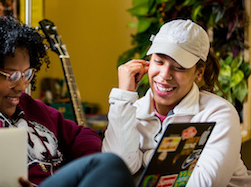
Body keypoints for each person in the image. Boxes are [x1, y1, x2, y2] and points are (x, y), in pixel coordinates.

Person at [0, 14, 134, 187]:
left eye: (27, 74)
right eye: (10, 76)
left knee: (109, 167)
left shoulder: (31, 107)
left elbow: (82, 135)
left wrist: (88, 167)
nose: (22, 86)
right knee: (110, 164)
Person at [102, 19, 251, 186]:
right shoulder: (132, 110)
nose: (165, 75)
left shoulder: (218, 114)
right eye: (159, 61)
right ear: (148, 62)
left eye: (179, 67)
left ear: (198, 73)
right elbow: (118, 170)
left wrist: (147, 157)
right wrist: (123, 97)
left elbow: (204, 183)